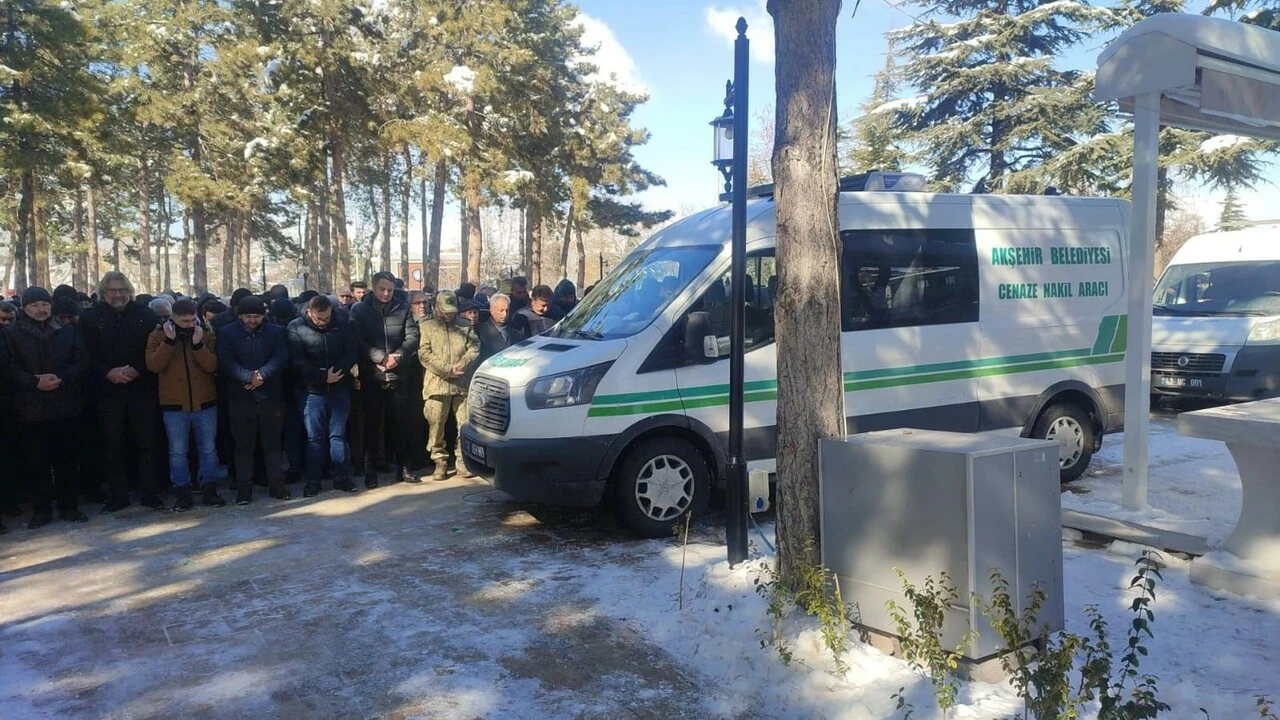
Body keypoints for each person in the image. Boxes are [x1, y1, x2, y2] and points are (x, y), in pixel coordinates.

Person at [4, 286, 90, 528]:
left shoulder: (67, 331)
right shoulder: (11, 334)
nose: (41, 310)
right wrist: (34, 382)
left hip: (65, 405)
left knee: (67, 460)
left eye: (44, 304)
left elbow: (81, 361)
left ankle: (69, 506)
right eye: (34, 305)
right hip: (31, 408)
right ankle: (41, 509)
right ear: (25, 309)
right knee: (37, 462)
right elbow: (9, 368)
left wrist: (62, 377)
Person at [79, 271, 163, 512]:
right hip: (107, 390)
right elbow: (85, 353)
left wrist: (137, 369)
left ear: (130, 291)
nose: (118, 295)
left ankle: (149, 492)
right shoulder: (89, 318)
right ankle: (119, 494)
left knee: (147, 441)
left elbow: (153, 349)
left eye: (122, 290)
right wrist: (108, 372)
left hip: (142, 388)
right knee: (112, 444)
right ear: (103, 293)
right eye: (113, 291)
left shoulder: (145, 315)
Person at [145, 299, 226, 511]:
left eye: (192, 320)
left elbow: (212, 365)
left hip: (205, 401)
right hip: (174, 404)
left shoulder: (207, 334)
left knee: (208, 449)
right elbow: (153, 366)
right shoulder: (157, 336)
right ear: (173, 319)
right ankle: (182, 491)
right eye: (184, 321)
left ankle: (209, 488)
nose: (189, 325)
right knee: (177, 451)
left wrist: (198, 345)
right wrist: (169, 342)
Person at [216, 295, 291, 504]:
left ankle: (277, 486)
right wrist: (247, 376)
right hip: (240, 397)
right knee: (243, 446)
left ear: (263, 315)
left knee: (272, 444)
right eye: (248, 316)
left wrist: (261, 376)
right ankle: (244, 489)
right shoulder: (227, 332)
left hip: (270, 395)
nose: (252, 320)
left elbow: (281, 358)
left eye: (256, 316)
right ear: (240, 316)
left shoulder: (275, 332)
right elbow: (225, 360)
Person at [286, 295, 360, 497]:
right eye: (319, 319)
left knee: (338, 435)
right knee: (314, 438)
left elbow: (352, 351)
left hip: (339, 387)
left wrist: (337, 372)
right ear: (309, 312)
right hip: (311, 391)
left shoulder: (342, 324)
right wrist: (321, 376)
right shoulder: (295, 327)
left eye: (326, 318)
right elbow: (296, 360)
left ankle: (342, 477)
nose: (323, 322)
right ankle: (313, 481)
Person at [352, 271, 419, 487]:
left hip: (398, 373)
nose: (386, 293)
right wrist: (380, 357)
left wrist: (397, 357)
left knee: (400, 422)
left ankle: (404, 467)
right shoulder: (360, 309)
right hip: (372, 374)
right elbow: (357, 340)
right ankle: (370, 469)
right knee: (372, 424)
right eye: (382, 289)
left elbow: (412, 337)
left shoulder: (403, 308)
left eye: (390, 290)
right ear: (374, 287)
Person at [418, 290, 479, 481]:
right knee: (436, 422)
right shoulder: (427, 326)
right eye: (446, 311)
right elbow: (424, 353)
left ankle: (462, 460)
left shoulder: (464, 325)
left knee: (464, 423)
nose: (450, 314)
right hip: (437, 383)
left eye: (452, 311)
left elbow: (475, 348)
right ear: (437, 307)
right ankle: (439, 460)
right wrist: (446, 369)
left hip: (462, 382)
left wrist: (462, 364)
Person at [476, 293, 525, 362]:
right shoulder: (480, 330)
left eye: (507, 310)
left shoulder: (516, 328)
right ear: (492, 310)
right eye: (501, 310)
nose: (504, 314)